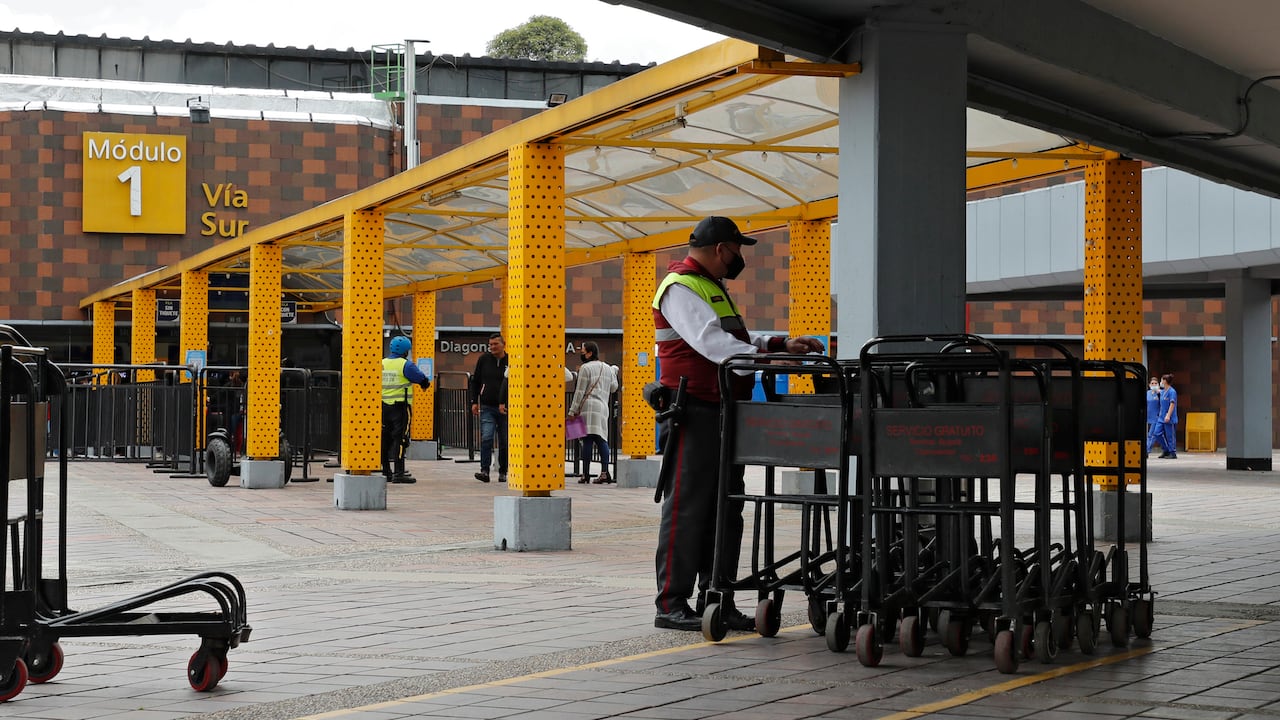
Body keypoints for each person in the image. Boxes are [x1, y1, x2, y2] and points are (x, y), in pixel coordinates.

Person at [651, 216, 825, 632]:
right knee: (688, 508)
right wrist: (767, 360)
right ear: (719, 249)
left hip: (724, 408)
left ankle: (718, 597)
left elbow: (735, 337)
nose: (739, 258)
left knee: (727, 508)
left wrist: (777, 344)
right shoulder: (679, 286)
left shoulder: (712, 288)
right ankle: (671, 603)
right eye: (737, 250)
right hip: (693, 410)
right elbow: (712, 344)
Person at [381, 335, 430, 484]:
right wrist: (425, 384)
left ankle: (387, 471)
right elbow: (421, 379)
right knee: (401, 439)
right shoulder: (406, 365)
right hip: (400, 408)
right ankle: (399, 473)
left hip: (383, 407)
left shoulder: (381, 363)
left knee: (385, 439)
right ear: (405, 351)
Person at [569, 341, 619, 484]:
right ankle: (605, 472)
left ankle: (585, 474)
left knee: (587, 440)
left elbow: (579, 392)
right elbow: (614, 388)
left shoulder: (585, 368)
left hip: (588, 407)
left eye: (583, 352)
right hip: (603, 407)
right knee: (602, 439)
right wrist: (614, 372)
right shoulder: (607, 368)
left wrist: (572, 411)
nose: (582, 354)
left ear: (590, 353)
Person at [470, 333, 509, 483]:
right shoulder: (484, 359)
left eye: (495, 344)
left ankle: (503, 471)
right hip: (487, 405)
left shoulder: (510, 361)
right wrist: (474, 401)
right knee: (487, 437)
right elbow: (476, 380)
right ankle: (484, 470)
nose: (492, 347)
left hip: (506, 408)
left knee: (504, 440)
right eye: (490, 344)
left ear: (503, 344)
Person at [1157, 373, 1179, 459]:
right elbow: (1157, 391)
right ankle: (1166, 449)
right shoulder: (1163, 392)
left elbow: (1172, 404)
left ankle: (1172, 452)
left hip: (1169, 418)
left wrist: (1168, 415)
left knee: (1170, 436)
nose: (1161, 382)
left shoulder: (1172, 392)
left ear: (1165, 381)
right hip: (1161, 417)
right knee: (1157, 433)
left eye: (1161, 380)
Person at [1144, 376, 1164, 457]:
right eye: (1152, 383)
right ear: (1149, 385)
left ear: (1158, 384)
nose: (1154, 385)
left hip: (1156, 417)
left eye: (1155, 383)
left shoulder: (1160, 394)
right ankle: (1166, 449)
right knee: (1150, 435)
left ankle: (1147, 450)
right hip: (1147, 416)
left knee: (1151, 434)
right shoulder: (1147, 393)